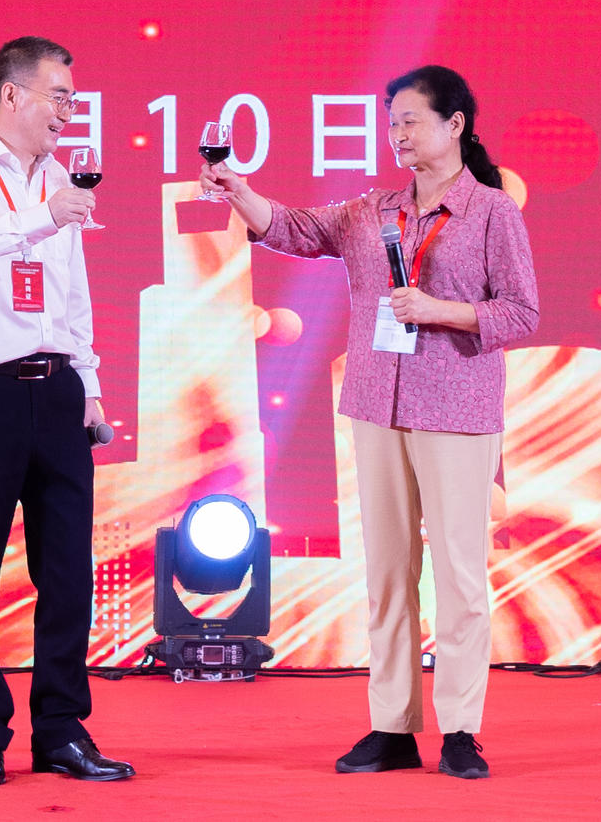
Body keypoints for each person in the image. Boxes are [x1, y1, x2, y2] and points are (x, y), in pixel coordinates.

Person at [201, 64, 538, 781]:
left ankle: (461, 730)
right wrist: (239, 191)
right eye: (392, 125)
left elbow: (520, 311)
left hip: (457, 408)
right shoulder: (372, 211)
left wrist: (442, 312)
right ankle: (392, 725)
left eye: (411, 120)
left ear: (455, 124)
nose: (398, 135)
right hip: (377, 404)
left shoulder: (491, 211)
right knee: (388, 572)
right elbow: (293, 228)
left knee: (459, 576)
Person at [0, 35, 133, 787]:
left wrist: (90, 382)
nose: (69, 112)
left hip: (58, 390)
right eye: (59, 96)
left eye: (72, 99)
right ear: (13, 94)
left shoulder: (58, 178)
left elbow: (71, 291)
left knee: (69, 571)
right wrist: (40, 217)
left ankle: (62, 730)